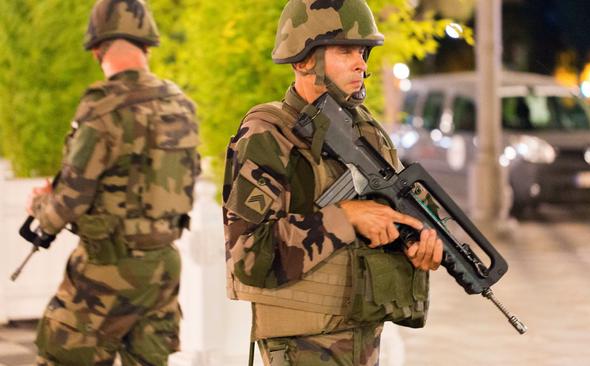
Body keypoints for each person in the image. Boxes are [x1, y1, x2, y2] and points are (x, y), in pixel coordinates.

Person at [222, 1, 443, 365]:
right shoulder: (269, 135)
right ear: (302, 59)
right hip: (301, 348)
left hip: (363, 343)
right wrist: (346, 217)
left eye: (363, 52)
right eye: (345, 51)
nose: (361, 63)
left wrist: (417, 242)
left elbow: (401, 212)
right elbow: (248, 256)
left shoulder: (368, 132)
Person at [25, 0, 200, 364]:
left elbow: (70, 200)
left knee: (60, 355)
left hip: (108, 269)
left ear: (95, 49)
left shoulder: (102, 108)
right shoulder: (182, 105)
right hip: (163, 265)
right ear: (148, 45)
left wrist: (41, 205)